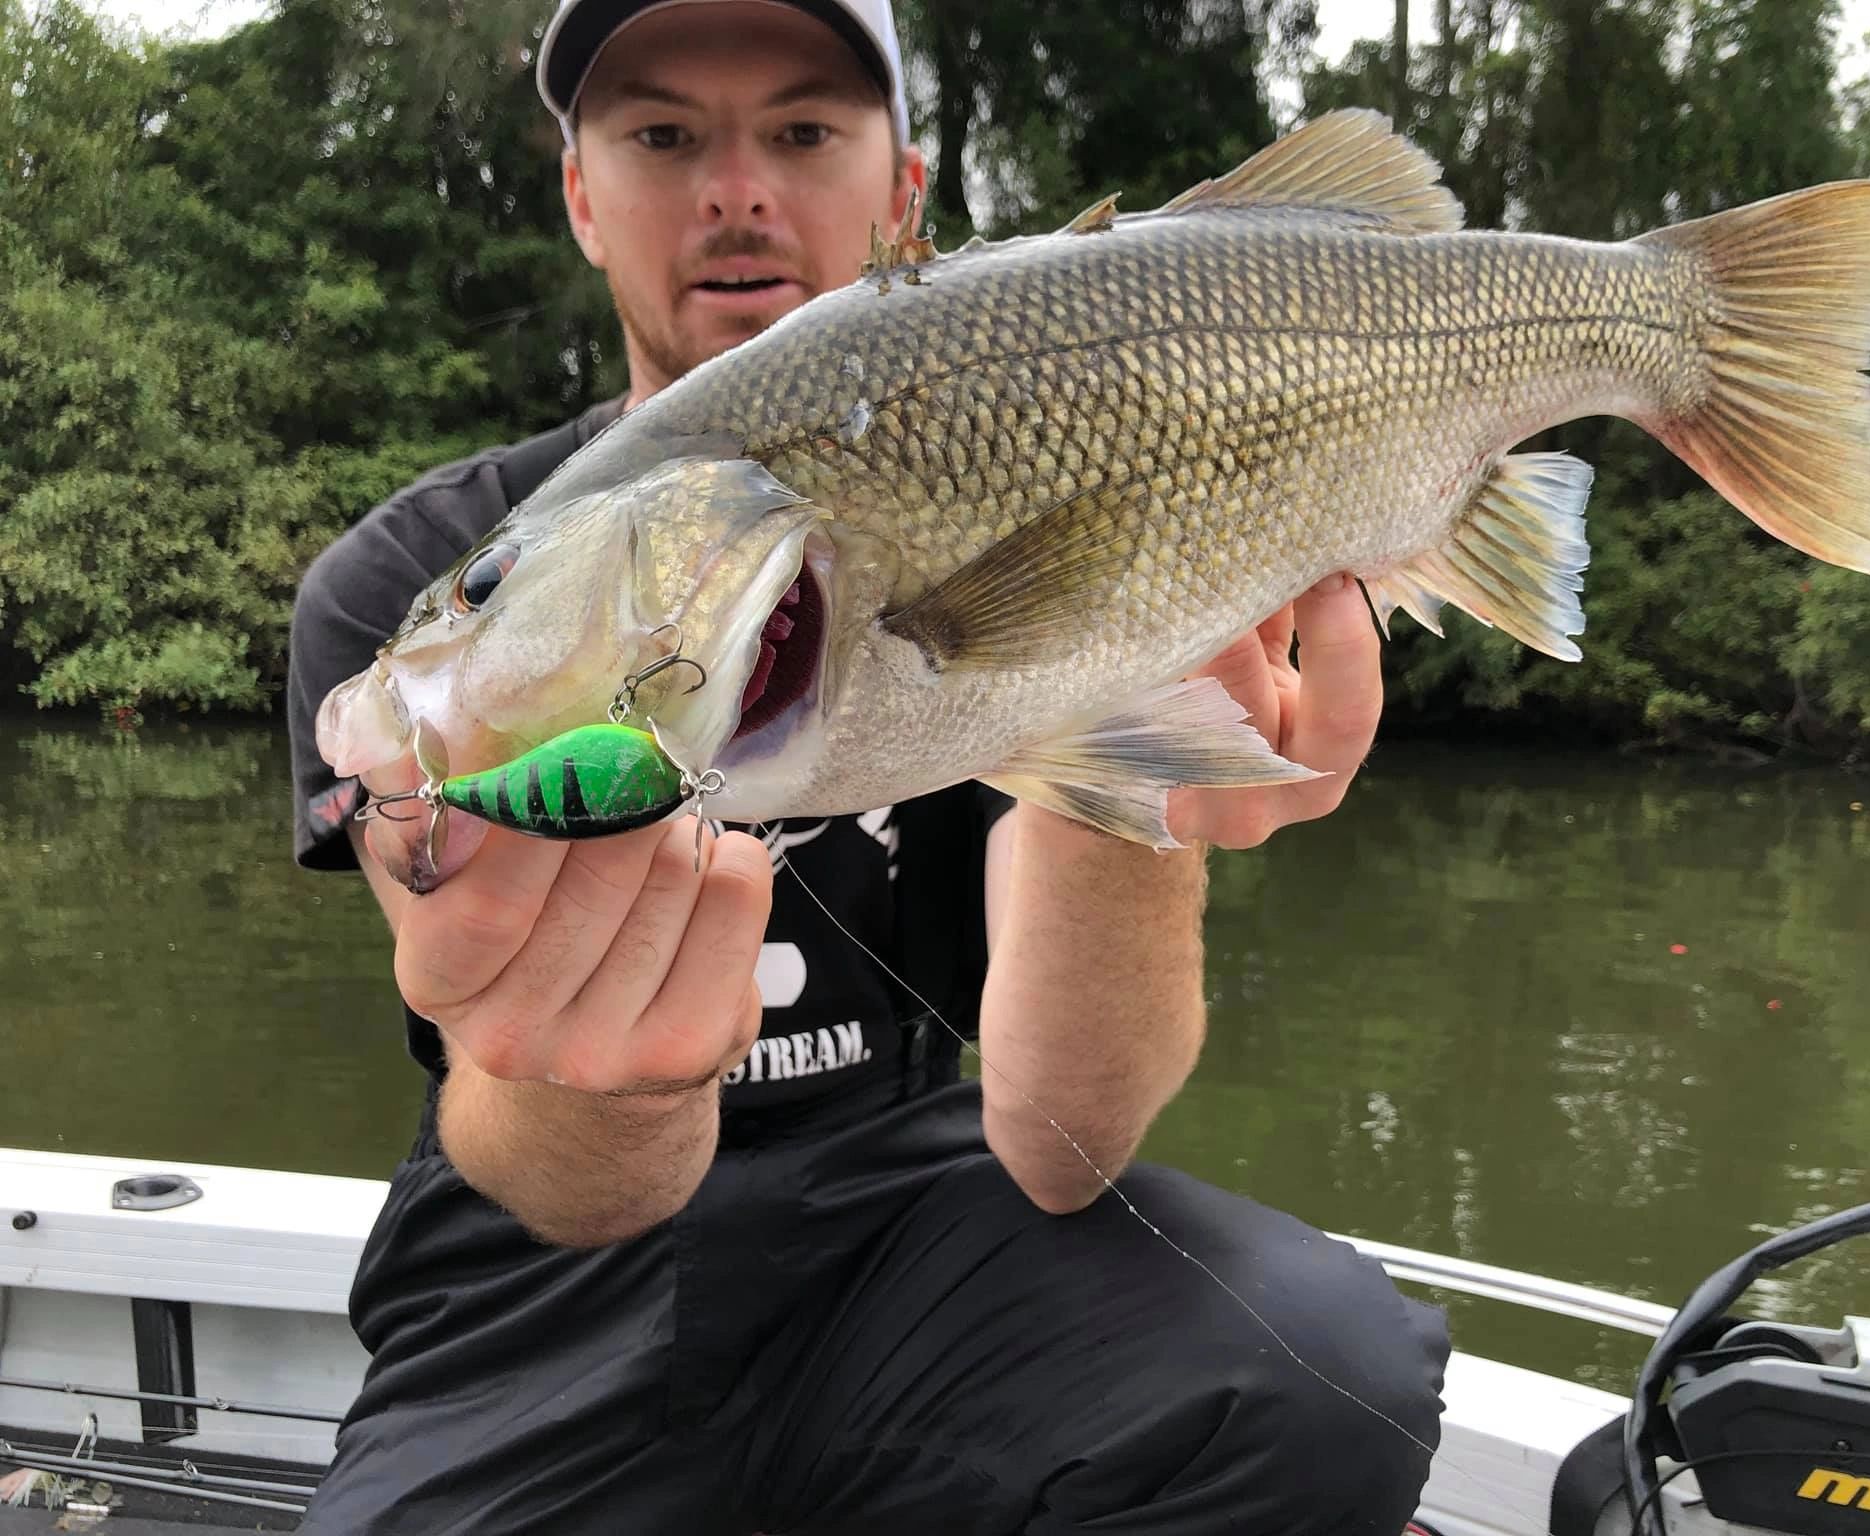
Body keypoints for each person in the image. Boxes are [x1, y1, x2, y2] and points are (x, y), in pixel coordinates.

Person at [284, 1, 1450, 1530]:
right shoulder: (415, 587)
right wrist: (603, 1098)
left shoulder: (1038, 465)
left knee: (1327, 1373)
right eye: (662, 135)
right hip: (524, 1272)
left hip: (914, 1206)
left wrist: (1142, 773)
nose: (736, 190)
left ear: (902, 189)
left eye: (804, 131)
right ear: (580, 197)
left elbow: (1058, 1147)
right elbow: (559, 1180)